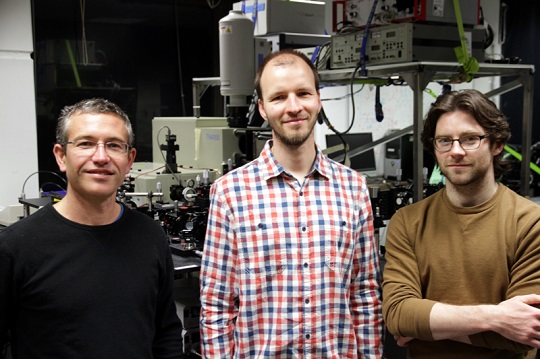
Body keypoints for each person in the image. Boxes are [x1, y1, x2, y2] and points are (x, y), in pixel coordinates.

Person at [199, 49, 383, 358]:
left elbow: (364, 295)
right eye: (279, 97)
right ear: (261, 108)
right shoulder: (229, 192)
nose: (294, 107)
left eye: (303, 93)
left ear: (318, 98)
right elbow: (217, 305)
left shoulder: (354, 188)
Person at [0, 98, 184, 358]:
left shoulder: (150, 236)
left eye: (113, 145)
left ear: (129, 159)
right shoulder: (15, 247)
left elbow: (166, 334)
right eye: (86, 143)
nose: (101, 157)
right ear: (61, 156)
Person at [382, 89, 540, 358]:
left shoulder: (530, 223)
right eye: (444, 140)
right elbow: (399, 315)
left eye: (470, 139)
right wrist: (496, 317)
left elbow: (526, 334)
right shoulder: (407, 222)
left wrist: (426, 325)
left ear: (497, 144)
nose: (455, 151)